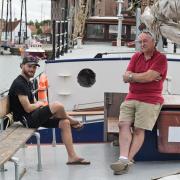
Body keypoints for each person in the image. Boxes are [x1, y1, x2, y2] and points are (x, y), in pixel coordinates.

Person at [8, 56, 90, 165]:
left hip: (33, 116)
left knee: (64, 123)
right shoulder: (19, 84)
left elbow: (32, 106)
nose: (32, 69)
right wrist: (39, 104)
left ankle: (72, 157)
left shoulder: (28, 82)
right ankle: (73, 121)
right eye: (29, 66)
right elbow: (28, 108)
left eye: (34, 67)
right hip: (28, 121)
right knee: (58, 105)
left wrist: (40, 106)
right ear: (22, 66)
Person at [110, 31, 167, 175]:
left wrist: (133, 77)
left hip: (150, 99)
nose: (142, 44)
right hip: (132, 97)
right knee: (123, 124)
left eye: (145, 41)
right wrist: (139, 77)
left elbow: (149, 76)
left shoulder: (161, 58)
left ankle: (127, 160)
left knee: (139, 130)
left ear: (154, 42)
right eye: (140, 42)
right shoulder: (136, 56)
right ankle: (123, 159)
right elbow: (125, 77)